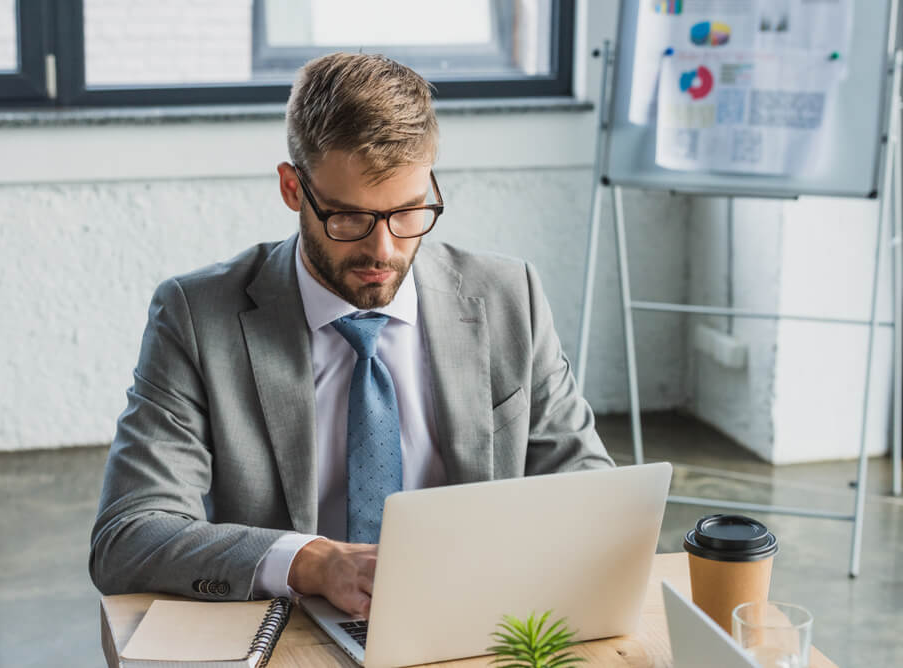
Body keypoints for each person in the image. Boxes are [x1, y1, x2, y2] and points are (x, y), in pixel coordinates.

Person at [89, 52, 613, 620]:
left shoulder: (511, 297)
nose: (383, 251)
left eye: (409, 213)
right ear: (293, 189)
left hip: (477, 623)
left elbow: (590, 494)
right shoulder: (197, 316)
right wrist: (310, 562)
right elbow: (129, 535)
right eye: (348, 219)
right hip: (292, 631)